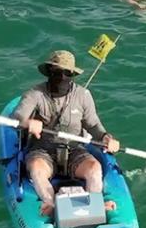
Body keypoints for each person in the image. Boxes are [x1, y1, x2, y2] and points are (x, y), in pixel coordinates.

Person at [14, 50, 121, 219]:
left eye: (67, 72)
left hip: (74, 151)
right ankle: (52, 205)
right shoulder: (35, 94)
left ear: (72, 74)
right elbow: (17, 117)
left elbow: (93, 125)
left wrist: (107, 138)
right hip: (43, 151)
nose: (62, 76)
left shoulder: (83, 96)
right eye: (57, 72)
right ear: (49, 72)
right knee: (37, 169)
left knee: (94, 169)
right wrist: (28, 123)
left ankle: (94, 207)